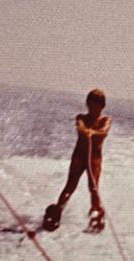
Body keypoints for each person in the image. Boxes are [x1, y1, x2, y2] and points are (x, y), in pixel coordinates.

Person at [43, 89, 112, 232]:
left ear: (102, 106)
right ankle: (57, 212)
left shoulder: (105, 120)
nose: (93, 109)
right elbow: (80, 126)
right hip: (79, 157)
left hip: (94, 159)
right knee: (70, 185)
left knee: (93, 188)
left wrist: (93, 132)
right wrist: (85, 130)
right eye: (90, 105)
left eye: (96, 106)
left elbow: (104, 131)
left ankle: (97, 214)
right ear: (87, 104)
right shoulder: (81, 117)